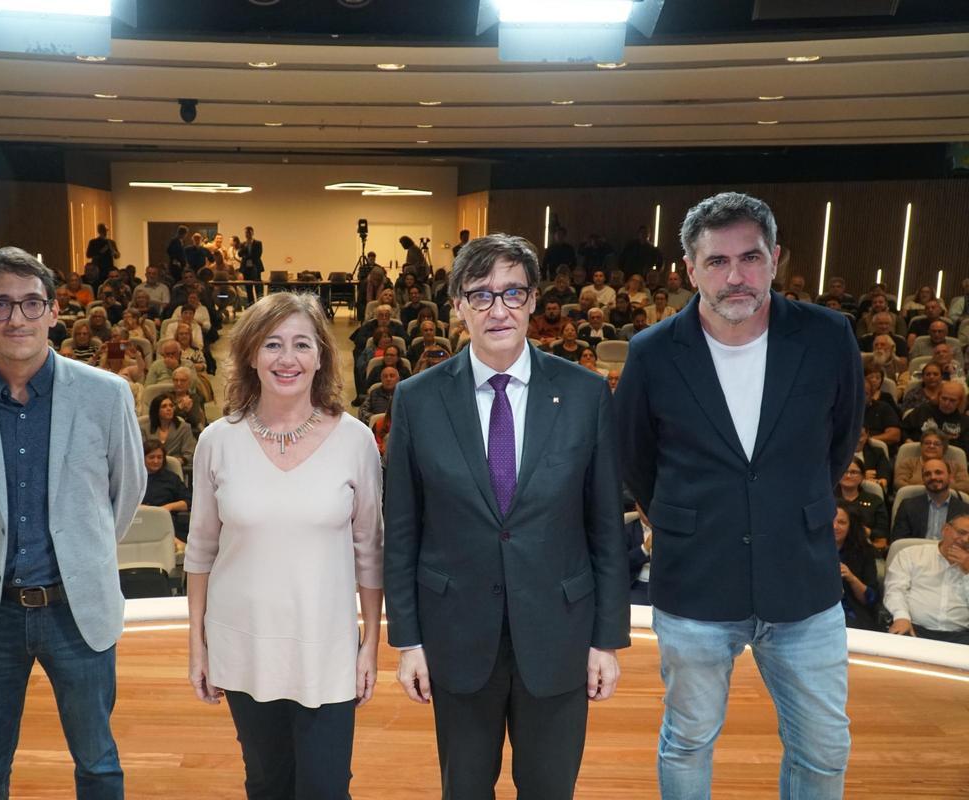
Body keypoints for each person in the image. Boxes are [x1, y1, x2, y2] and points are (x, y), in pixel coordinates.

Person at [614, 192, 863, 798]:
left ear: (775, 258)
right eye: (717, 261)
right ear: (689, 269)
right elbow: (635, 459)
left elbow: (841, 439)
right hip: (696, 583)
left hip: (803, 582)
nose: (736, 277)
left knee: (825, 750)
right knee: (689, 741)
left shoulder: (829, 337)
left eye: (750, 258)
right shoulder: (651, 352)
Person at [384, 234, 628, 798]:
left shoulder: (585, 393)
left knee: (549, 789)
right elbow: (402, 530)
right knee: (465, 788)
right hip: (456, 636)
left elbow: (605, 529)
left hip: (560, 635)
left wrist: (605, 641)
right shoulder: (418, 399)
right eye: (481, 294)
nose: (499, 309)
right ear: (458, 305)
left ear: (534, 299)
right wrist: (409, 642)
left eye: (513, 292)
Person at [0, 246, 145, 798]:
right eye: (1, 304)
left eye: (31, 303)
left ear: (53, 312)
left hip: (78, 610)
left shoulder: (105, 393)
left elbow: (127, 490)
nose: (17, 318)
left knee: (98, 764)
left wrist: (81, 551)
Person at [185, 291, 383, 799]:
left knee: (326, 787)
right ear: (251, 354)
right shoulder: (216, 440)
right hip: (243, 644)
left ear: (322, 355)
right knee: (267, 783)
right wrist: (197, 646)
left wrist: (370, 646)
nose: (287, 358)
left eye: (301, 344)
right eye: (272, 344)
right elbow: (202, 549)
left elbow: (369, 550)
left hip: (327, 648)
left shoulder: (356, 440)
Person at [883, 512, 969, 644]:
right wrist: (901, 617)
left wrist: (967, 571)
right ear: (945, 529)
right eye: (961, 532)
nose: (965, 540)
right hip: (913, 628)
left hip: (961, 635)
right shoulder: (911, 554)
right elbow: (895, 590)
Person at [891, 458, 969, 543]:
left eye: (938, 472)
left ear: (950, 476)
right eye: (927, 474)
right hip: (916, 554)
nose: (933, 477)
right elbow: (899, 542)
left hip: (951, 554)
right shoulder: (908, 506)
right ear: (923, 479)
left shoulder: (965, 510)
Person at [833, 502, 882, 630]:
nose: (834, 526)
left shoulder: (864, 552)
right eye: (830, 521)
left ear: (851, 526)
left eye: (841, 522)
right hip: (817, 614)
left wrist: (851, 578)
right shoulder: (809, 550)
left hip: (852, 615)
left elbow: (871, 600)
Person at [140, 439, 189, 540]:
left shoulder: (172, 478)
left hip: (167, 523)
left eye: (159, 457)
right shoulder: (132, 478)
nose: (156, 461)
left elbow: (188, 502)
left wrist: (167, 507)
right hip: (139, 522)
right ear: (142, 458)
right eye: (151, 457)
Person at [835, 457, 889, 547]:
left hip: (865, 548)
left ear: (863, 476)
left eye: (853, 472)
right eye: (844, 471)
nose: (848, 476)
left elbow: (882, 534)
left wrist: (868, 532)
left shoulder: (875, 501)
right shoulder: (829, 501)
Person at [895, 431, 969, 493]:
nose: (931, 446)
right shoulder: (908, 463)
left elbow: (966, 486)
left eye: (936, 444)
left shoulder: (956, 466)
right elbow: (899, 483)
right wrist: (938, 486)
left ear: (944, 448)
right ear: (921, 446)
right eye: (927, 443)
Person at [146, 392, 197, 467]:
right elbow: (141, 453)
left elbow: (189, 453)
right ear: (156, 410)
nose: (169, 409)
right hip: (150, 469)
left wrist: (177, 462)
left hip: (175, 468)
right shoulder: (144, 429)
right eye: (164, 406)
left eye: (171, 406)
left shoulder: (184, 428)